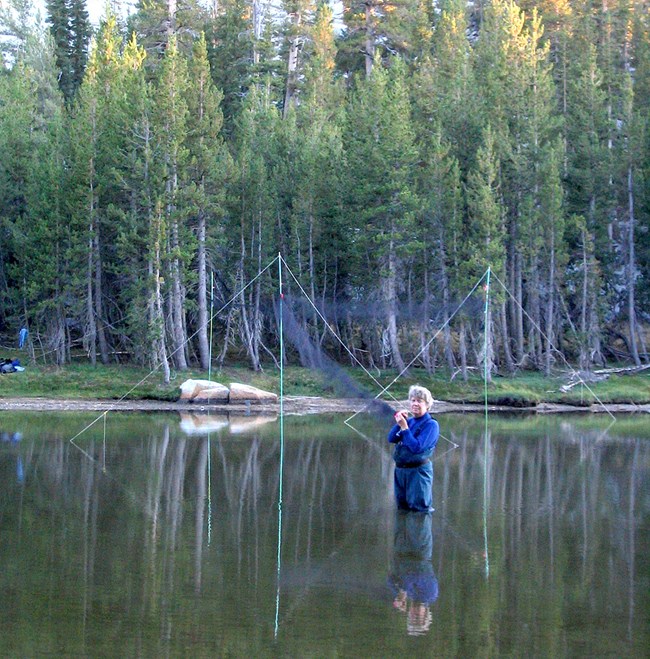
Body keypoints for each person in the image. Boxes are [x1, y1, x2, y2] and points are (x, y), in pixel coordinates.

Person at [387, 385, 439, 512]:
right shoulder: (409, 421)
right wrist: (400, 423)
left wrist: (404, 428)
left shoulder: (431, 425)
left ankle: (420, 531)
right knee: (402, 508)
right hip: (401, 471)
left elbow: (417, 447)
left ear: (427, 405)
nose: (415, 403)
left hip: (418, 473)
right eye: (413, 400)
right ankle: (403, 531)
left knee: (419, 510)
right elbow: (391, 438)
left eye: (419, 401)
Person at [388, 510, 438, 636]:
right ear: (425, 613)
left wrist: (397, 594)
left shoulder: (408, 595)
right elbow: (418, 575)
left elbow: (390, 578)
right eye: (418, 618)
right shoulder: (430, 594)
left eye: (412, 618)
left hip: (401, 551)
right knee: (420, 513)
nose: (414, 614)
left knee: (401, 512)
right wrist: (403, 590)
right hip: (419, 550)